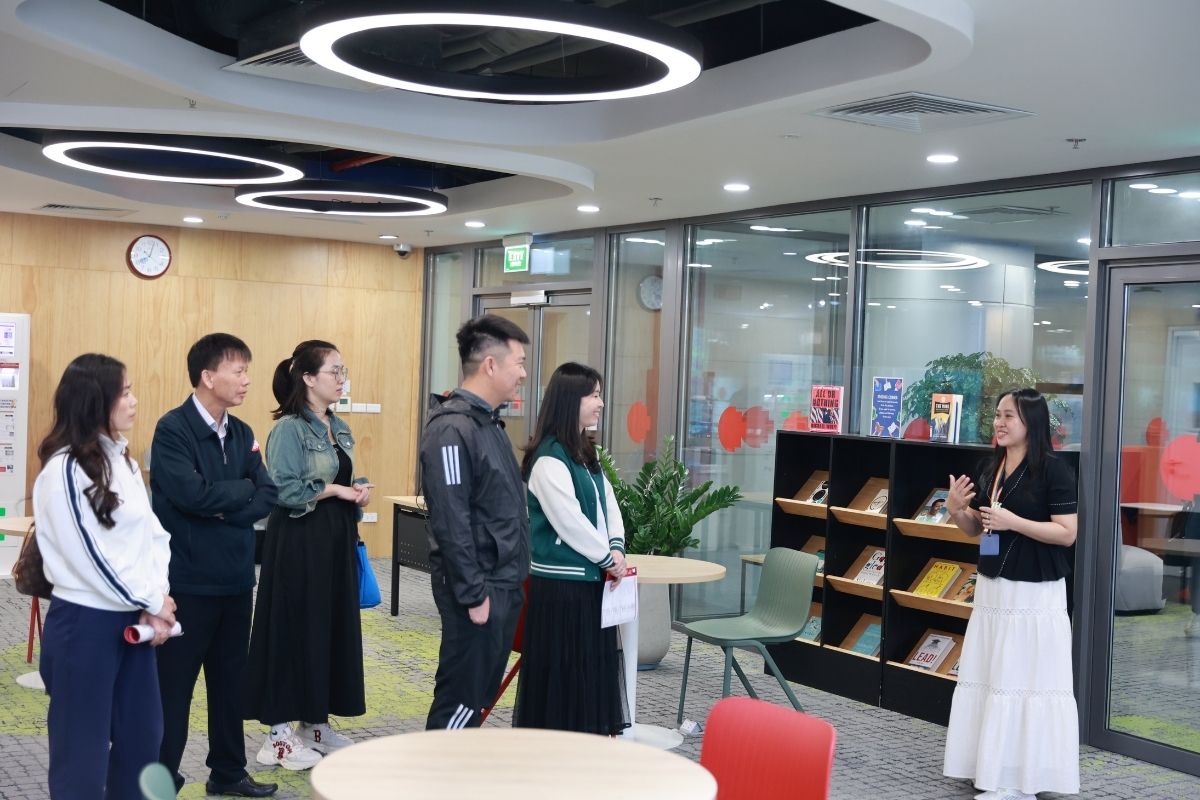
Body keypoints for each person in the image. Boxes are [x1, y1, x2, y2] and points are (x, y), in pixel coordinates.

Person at [33, 354, 175, 799]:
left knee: (142, 740)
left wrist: (159, 599)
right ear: (96, 401)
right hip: (84, 625)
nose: (134, 401)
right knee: (82, 752)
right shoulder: (63, 470)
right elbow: (89, 557)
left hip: (132, 619)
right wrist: (153, 604)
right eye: (124, 392)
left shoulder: (125, 464)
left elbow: (154, 536)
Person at [151, 334, 279, 798]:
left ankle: (227, 772)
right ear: (208, 376)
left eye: (247, 370)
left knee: (229, 685)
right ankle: (161, 778)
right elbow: (189, 495)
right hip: (187, 583)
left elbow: (266, 492)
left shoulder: (243, 433)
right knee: (173, 691)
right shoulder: (173, 429)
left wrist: (223, 501)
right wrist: (232, 494)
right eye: (238, 370)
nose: (247, 380)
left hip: (236, 579)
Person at [942, 388, 1080, 800]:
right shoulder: (992, 468)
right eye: (998, 415)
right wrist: (955, 509)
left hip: (1033, 595)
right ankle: (988, 765)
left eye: (1008, 416)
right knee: (990, 676)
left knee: (1024, 679)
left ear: (1031, 424)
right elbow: (980, 531)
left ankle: (1021, 778)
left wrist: (1013, 521)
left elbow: (1067, 534)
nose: (999, 423)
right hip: (993, 589)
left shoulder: (1055, 471)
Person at [244, 340, 372, 767]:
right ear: (308, 378)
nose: (341, 379)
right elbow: (284, 489)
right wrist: (334, 490)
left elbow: (346, 470)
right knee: (292, 626)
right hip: (300, 538)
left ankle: (315, 723)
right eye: (334, 371)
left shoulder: (338, 424)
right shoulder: (288, 429)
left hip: (335, 535)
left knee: (329, 627)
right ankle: (277, 733)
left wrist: (358, 492)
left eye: (343, 370)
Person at [420, 314, 530, 730]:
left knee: (479, 696)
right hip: (478, 588)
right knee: (461, 699)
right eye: (518, 362)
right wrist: (472, 593)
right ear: (490, 365)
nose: (522, 373)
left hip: (500, 583)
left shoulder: (488, 424)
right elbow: (451, 520)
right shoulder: (452, 428)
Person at [514, 362, 630, 735]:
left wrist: (616, 548)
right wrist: (607, 558)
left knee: (589, 672)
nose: (601, 403)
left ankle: (587, 746)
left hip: (589, 581)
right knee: (566, 676)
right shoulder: (549, 456)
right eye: (594, 395)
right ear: (570, 400)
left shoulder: (583, 450)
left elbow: (607, 502)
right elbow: (570, 520)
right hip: (561, 589)